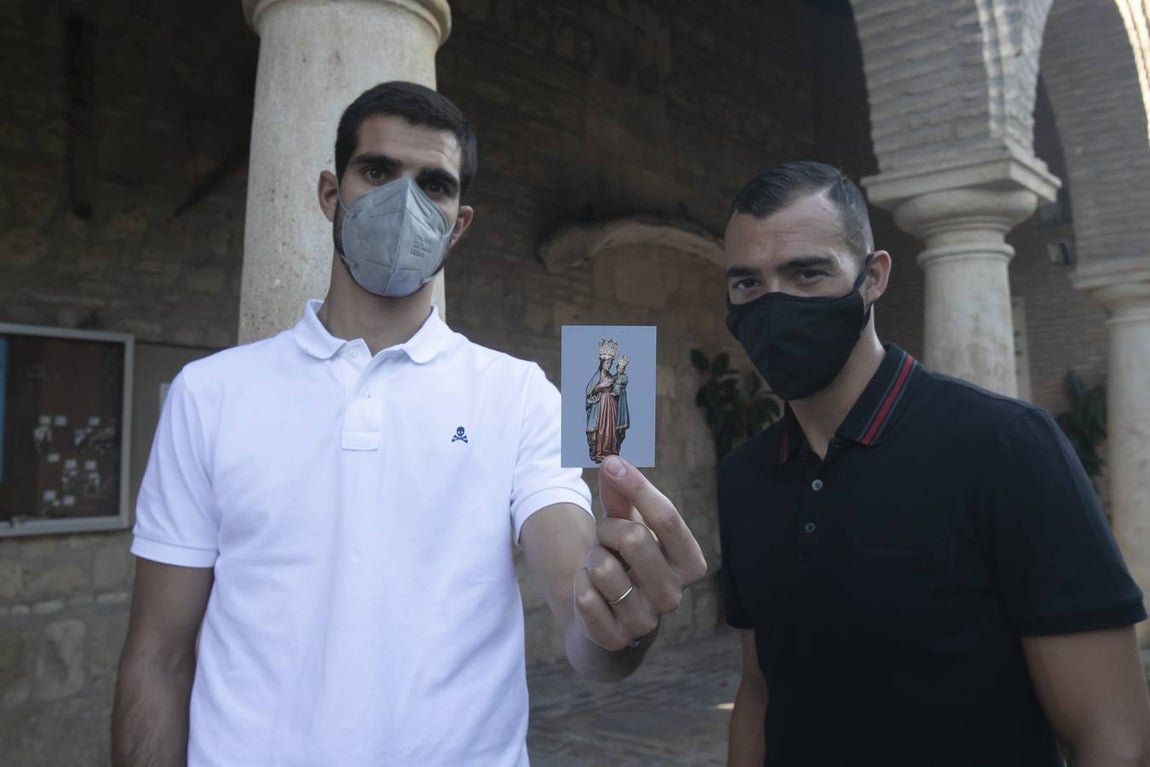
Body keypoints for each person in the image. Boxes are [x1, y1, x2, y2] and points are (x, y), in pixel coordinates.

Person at [112, 82, 706, 767]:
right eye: (377, 171)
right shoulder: (209, 394)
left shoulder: (518, 395)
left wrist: (616, 615)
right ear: (331, 194)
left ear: (459, 222)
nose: (404, 201)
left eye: (434, 184)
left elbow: (580, 617)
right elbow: (157, 654)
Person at [718, 161, 1150, 766]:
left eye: (807, 273)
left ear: (873, 278)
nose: (774, 305)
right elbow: (760, 693)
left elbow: (1112, 736)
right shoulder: (744, 477)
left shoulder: (1007, 448)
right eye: (748, 285)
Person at [586, 338, 621, 463]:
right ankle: (599, 452)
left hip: (611, 405)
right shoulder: (596, 377)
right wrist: (600, 387)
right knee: (601, 428)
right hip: (601, 405)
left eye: (611, 363)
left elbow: (617, 390)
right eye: (607, 363)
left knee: (611, 430)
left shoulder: (612, 377)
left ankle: (611, 450)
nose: (609, 365)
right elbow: (590, 392)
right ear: (602, 363)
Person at [612, 354, 630, 449]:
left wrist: (618, 383)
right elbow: (612, 382)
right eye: (619, 368)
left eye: (622, 369)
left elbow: (623, 382)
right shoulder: (614, 376)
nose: (621, 370)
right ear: (617, 368)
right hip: (615, 399)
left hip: (621, 398)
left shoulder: (624, 377)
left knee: (621, 414)